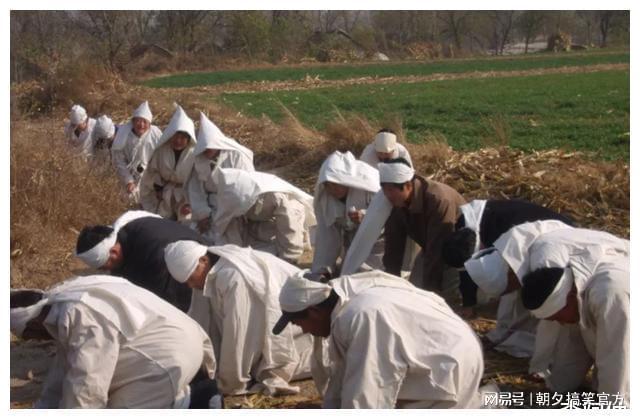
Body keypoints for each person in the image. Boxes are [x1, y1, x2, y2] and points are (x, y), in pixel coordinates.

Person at [272, 270, 487, 408]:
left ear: (314, 311)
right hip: (451, 347)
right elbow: (344, 376)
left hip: (447, 365)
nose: (302, 329)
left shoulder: (362, 317)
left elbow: (370, 391)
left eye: (297, 323)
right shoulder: (347, 295)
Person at [10, 275, 221, 408]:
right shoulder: (63, 297)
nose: (35, 340)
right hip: (177, 336)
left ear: (34, 324)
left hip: (170, 355)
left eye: (29, 336)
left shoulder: (82, 317)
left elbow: (87, 386)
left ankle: (195, 400)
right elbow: (62, 371)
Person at [164, 240, 313, 396]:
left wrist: (229, 383)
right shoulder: (208, 273)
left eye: (190, 279)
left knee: (274, 369)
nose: (190, 285)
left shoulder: (234, 276)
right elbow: (202, 320)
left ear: (203, 260)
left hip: (301, 332)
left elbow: (240, 334)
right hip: (268, 336)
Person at [519, 225, 629, 407]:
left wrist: (614, 407)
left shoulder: (609, 294)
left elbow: (619, 357)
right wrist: (557, 389)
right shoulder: (577, 289)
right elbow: (573, 346)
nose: (559, 324)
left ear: (569, 297)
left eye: (557, 318)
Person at [442, 199, 574, 313]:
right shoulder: (463, 227)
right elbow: (467, 269)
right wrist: (468, 303)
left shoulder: (508, 238)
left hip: (560, 234)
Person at [75, 210, 205, 312]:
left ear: (114, 253)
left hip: (201, 277)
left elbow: (165, 303)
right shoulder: (126, 233)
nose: (108, 271)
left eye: (105, 267)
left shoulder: (152, 250)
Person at [378, 158, 465, 299]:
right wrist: (391, 281)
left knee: (441, 300)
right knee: (413, 294)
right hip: (430, 248)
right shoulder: (396, 202)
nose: (387, 195)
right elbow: (394, 243)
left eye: (390, 190)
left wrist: (431, 291)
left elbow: (438, 247)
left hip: (456, 251)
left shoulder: (438, 200)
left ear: (407, 185)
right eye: (384, 190)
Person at [211, 168, 316, 264]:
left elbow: (289, 226)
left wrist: (289, 257)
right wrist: (230, 253)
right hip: (259, 221)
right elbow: (226, 223)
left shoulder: (275, 196)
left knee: (284, 248)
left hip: (289, 215)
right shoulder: (232, 194)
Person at [312, 151, 384, 276]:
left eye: (336, 185)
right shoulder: (325, 198)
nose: (333, 190)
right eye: (328, 186)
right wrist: (322, 269)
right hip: (352, 240)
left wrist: (367, 217)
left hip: (378, 243)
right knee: (346, 273)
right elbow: (327, 236)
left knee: (367, 275)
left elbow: (387, 215)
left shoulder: (371, 188)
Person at [187, 112, 254, 240]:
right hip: (209, 207)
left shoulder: (237, 156)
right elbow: (195, 190)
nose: (207, 150)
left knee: (230, 240)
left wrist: (228, 212)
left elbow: (245, 187)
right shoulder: (199, 160)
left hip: (232, 209)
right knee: (197, 238)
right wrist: (202, 214)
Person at [140, 104, 197, 222]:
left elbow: (198, 182)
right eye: (176, 136)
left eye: (182, 138)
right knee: (160, 221)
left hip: (186, 196)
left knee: (187, 221)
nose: (178, 141)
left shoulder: (194, 155)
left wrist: (191, 203)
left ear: (188, 139)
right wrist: (158, 189)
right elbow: (152, 172)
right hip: (165, 194)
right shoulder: (162, 150)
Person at [111, 101, 163, 203]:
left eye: (145, 121)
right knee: (128, 199)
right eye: (138, 121)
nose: (141, 125)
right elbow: (119, 160)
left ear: (149, 123)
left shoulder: (155, 134)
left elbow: (162, 158)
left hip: (152, 178)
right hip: (130, 176)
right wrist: (128, 181)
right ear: (133, 121)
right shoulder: (124, 135)